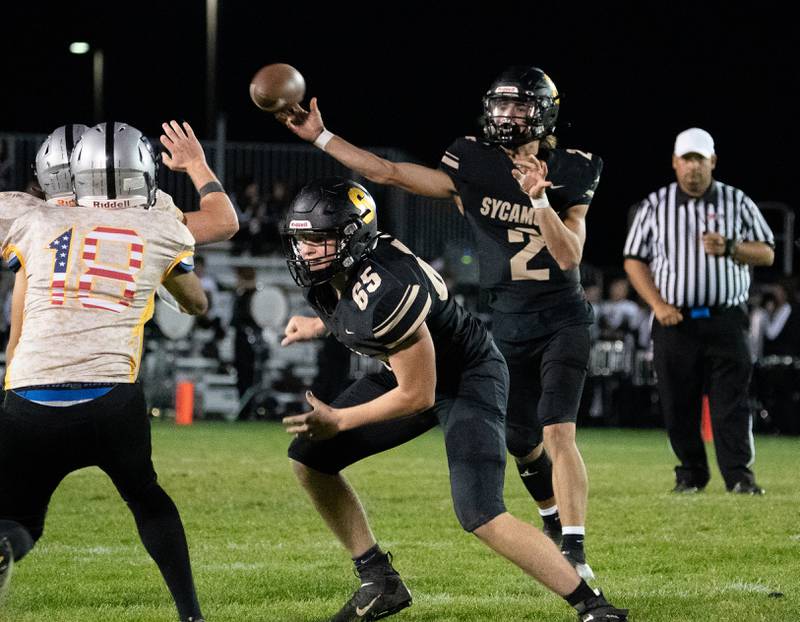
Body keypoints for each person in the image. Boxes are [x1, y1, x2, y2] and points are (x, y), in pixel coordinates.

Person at [277, 66, 601, 578]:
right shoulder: (473, 162)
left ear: (544, 112)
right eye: (502, 104)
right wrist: (320, 135)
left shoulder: (575, 168)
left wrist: (540, 198)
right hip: (506, 317)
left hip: (563, 316)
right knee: (521, 438)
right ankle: (551, 518)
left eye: (520, 106)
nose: (508, 115)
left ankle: (575, 554)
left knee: (557, 431)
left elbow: (568, 255)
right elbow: (388, 172)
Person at [278, 178, 626, 622]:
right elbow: (357, 316)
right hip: (408, 373)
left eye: (318, 239)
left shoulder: (386, 286)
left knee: (481, 513)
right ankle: (378, 579)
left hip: (465, 378)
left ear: (352, 238)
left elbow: (417, 395)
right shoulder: (338, 273)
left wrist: (342, 421)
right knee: (309, 458)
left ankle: (594, 607)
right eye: (301, 239)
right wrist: (318, 325)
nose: (306, 250)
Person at [0, 121, 213, 622]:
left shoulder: (29, 217)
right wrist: (164, 278)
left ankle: (6, 548)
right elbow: (198, 299)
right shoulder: (160, 221)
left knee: (15, 520)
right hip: (110, 399)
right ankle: (191, 615)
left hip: (29, 396)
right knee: (148, 500)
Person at [623, 127, 775, 494]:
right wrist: (657, 305)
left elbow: (767, 251)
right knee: (677, 402)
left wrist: (732, 248)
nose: (693, 168)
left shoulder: (737, 201)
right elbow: (633, 260)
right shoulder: (655, 204)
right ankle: (690, 473)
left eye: (700, 160)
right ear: (675, 163)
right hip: (675, 321)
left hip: (725, 318)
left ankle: (739, 476)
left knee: (732, 402)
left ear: (713, 162)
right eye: (687, 159)